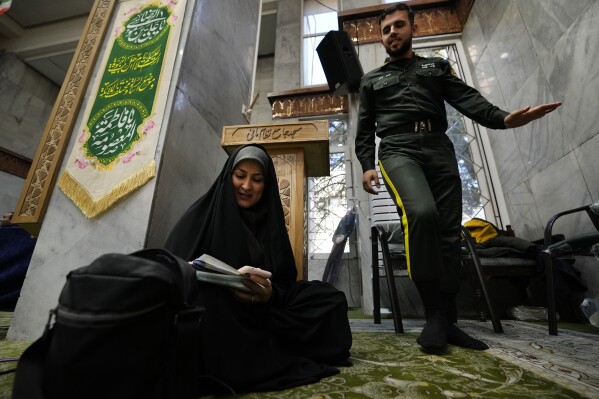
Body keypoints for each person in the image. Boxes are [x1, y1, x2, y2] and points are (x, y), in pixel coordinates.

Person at [355, 3, 561, 352]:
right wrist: (366, 163)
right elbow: (364, 129)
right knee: (421, 213)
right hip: (397, 149)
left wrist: (506, 119)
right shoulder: (371, 79)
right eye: (386, 28)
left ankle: (448, 322)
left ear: (413, 28)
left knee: (449, 233)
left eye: (398, 25)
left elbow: (468, 99)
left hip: (439, 147)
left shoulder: (436, 67)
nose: (392, 32)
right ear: (381, 36)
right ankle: (434, 315)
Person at [165, 144, 352, 394]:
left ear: (267, 185)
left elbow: (285, 281)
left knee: (329, 299)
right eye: (240, 176)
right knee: (208, 306)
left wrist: (268, 294)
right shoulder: (200, 216)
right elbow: (174, 273)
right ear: (227, 176)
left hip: (264, 309)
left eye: (257, 179)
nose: (246, 186)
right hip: (221, 308)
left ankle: (254, 348)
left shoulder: (270, 220)